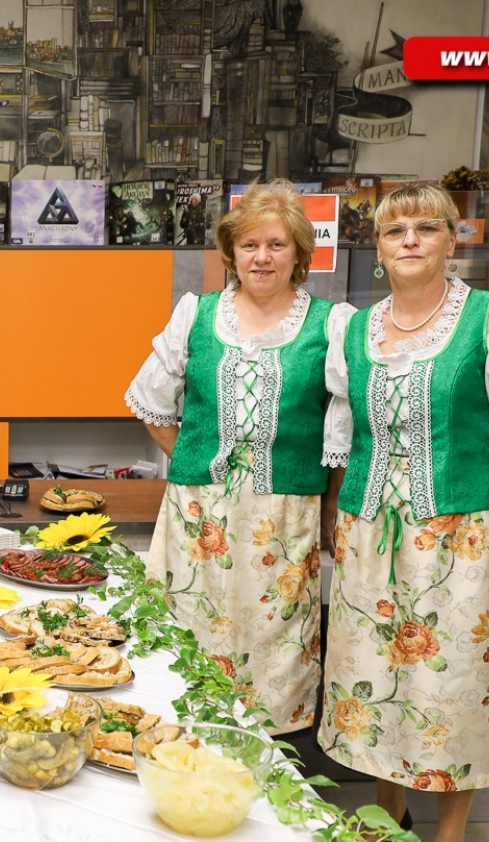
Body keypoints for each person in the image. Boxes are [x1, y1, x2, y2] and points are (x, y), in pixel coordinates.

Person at [320, 181, 489, 842]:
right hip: (369, 533)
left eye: (427, 227)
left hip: (458, 532)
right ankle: (388, 811)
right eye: (396, 231)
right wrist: (336, 518)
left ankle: (450, 833)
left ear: (454, 240)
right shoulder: (352, 328)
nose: (411, 240)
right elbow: (344, 432)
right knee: (375, 675)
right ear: (379, 249)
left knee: (451, 680)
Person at [125, 179, 354, 734]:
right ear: (231, 252)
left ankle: (265, 786)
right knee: (189, 642)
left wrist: (330, 507)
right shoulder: (196, 314)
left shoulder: (333, 323)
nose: (261, 257)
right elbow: (151, 402)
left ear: (300, 252)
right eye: (249, 245)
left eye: (276, 244)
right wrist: (195, 459)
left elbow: (342, 432)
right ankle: (184, 769)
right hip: (197, 515)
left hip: (282, 521)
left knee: (275, 651)